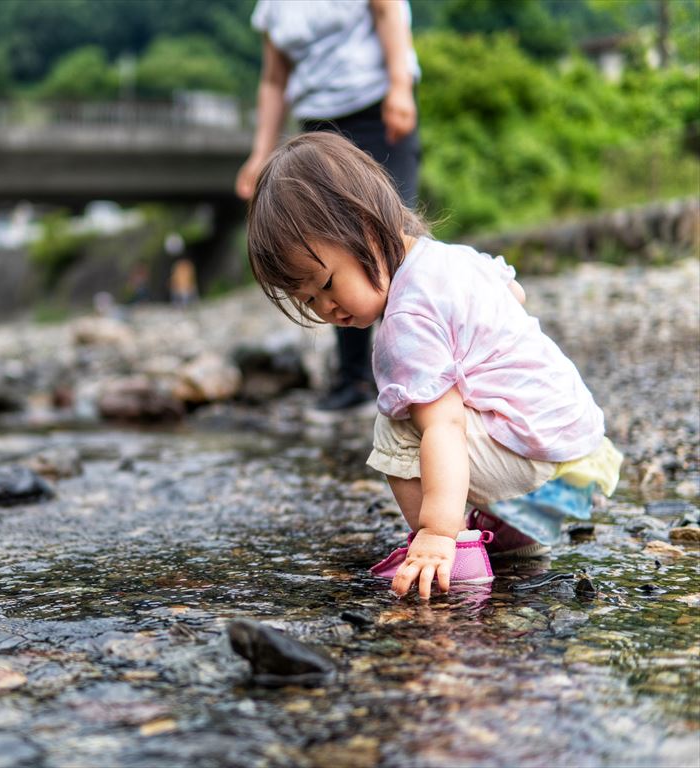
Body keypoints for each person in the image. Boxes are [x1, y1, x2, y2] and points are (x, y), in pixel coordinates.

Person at [246, 132, 622, 599]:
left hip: (541, 461)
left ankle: (455, 553)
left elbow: (443, 428)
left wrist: (436, 531)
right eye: (310, 300)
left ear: (365, 227)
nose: (328, 309)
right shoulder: (449, 258)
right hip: (579, 438)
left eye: (327, 284)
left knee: (398, 425)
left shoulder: (405, 323)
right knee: (454, 388)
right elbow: (515, 296)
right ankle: (513, 539)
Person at [237, 0, 420, 411]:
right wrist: (260, 154)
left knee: (385, 237)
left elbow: (389, 11)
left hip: (376, 107)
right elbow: (273, 80)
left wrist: (400, 85)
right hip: (317, 125)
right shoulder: (272, 7)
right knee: (321, 262)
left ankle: (422, 355)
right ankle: (355, 376)